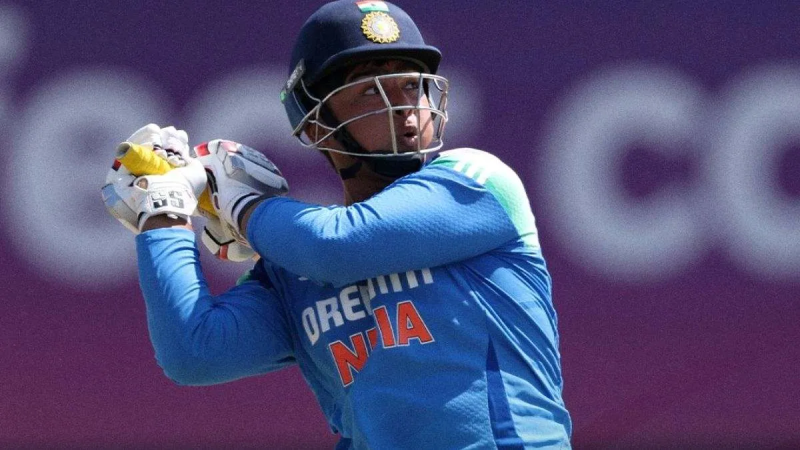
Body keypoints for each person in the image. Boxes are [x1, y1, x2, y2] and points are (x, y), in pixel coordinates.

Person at [102, 1, 572, 448]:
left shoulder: (478, 180)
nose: (404, 107)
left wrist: (241, 204)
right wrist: (163, 211)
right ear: (314, 123)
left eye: (411, 85)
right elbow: (194, 353)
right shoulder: (291, 268)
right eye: (370, 90)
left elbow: (338, 245)